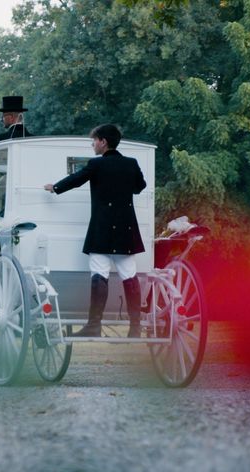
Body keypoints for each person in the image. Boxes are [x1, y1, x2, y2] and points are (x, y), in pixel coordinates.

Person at [43, 124, 146, 338]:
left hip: (103, 229)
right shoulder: (131, 164)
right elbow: (139, 186)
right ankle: (135, 327)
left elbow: (76, 180)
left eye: (94, 141)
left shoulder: (96, 165)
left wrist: (55, 187)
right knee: (129, 275)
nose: (93, 145)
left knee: (100, 273)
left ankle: (94, 325)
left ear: (103, 142)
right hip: (126, 230)